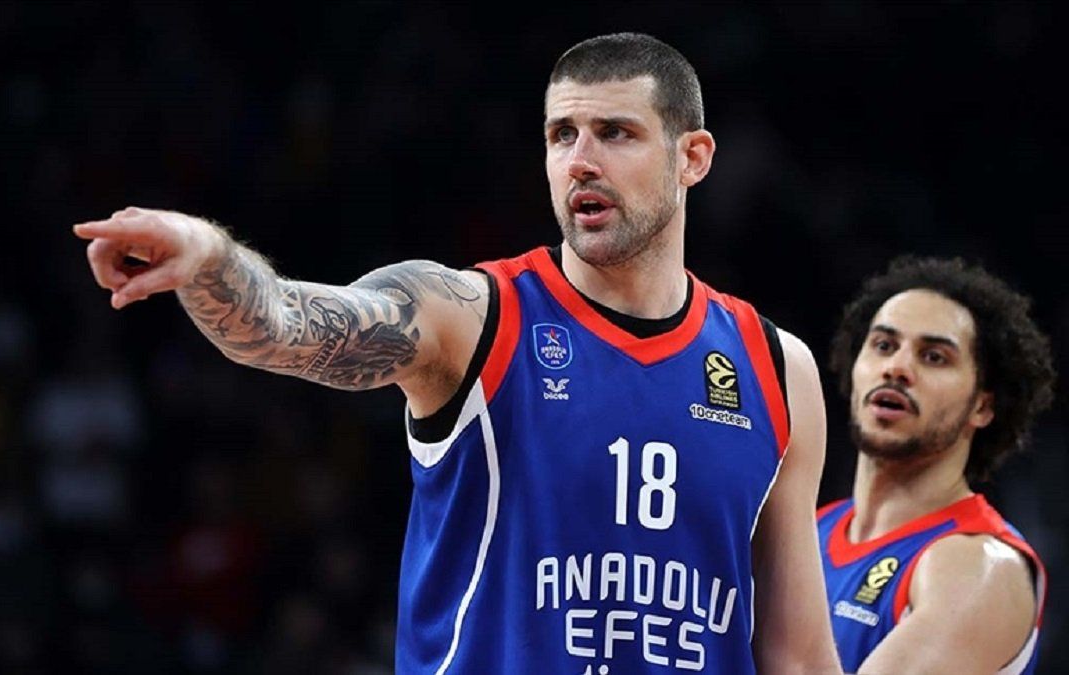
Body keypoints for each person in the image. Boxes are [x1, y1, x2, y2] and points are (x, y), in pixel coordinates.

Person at [74, 32, 841, 674]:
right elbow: (286, 323)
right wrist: (209, 254)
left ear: (693, 157)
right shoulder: (474, 315)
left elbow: (800, 658)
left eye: (615, 133)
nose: (580, 160)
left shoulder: (777, 369)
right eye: (561, 135)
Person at [818, 256, 1055, 674]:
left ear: (982, 406)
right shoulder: (811, 530)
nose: (897, 368)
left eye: (933, 357)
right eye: (884, 346)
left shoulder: (980, 567)